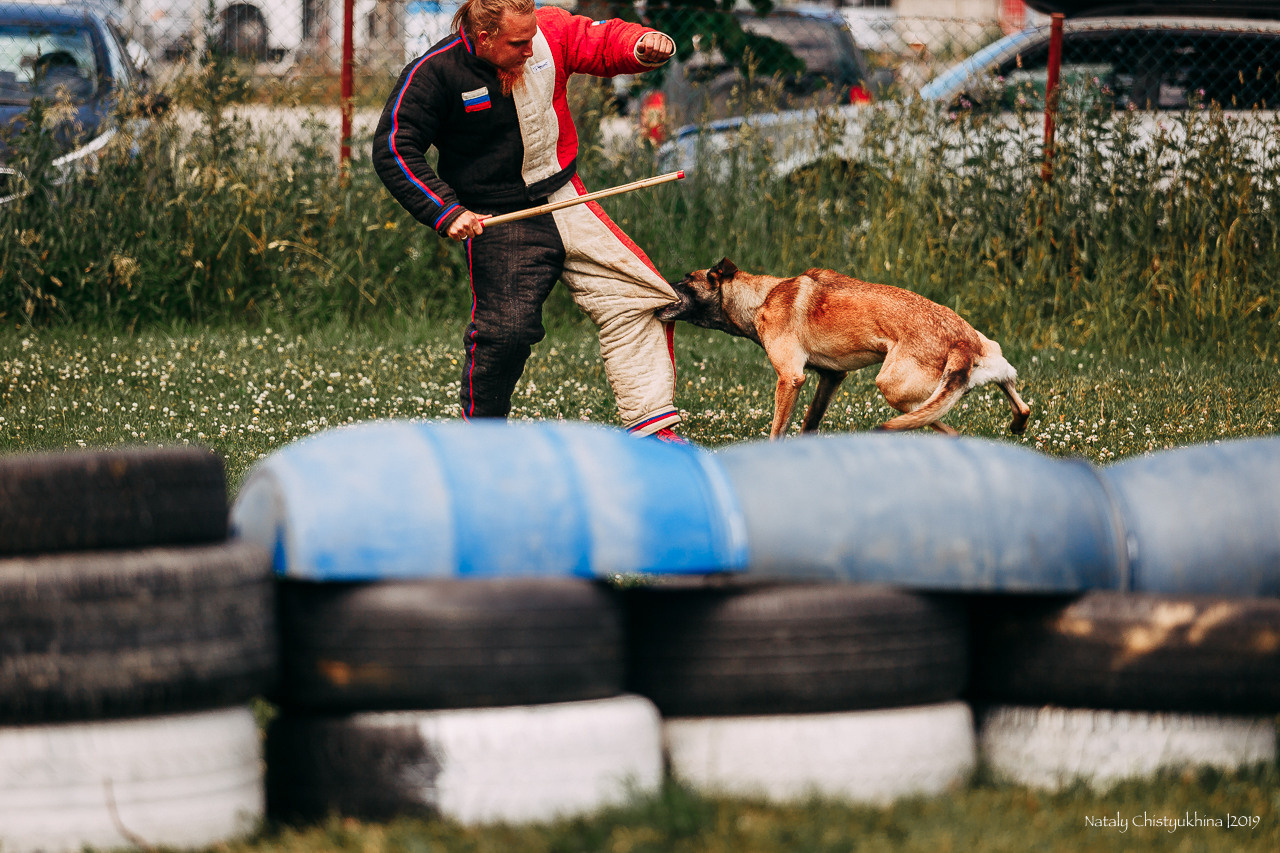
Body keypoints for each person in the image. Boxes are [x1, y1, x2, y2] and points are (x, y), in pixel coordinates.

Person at [372, 0, 688, 442]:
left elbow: (596, 41)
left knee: (637, 295)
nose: (530, 48)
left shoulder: (547, 30)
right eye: (518, 43)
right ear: (484, 38)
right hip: (499, 215)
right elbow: (394, 147)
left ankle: (654, 427)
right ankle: (480, 440)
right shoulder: (435, 73)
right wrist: (446, 211)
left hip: (565, 196)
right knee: (507, 332)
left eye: (532, 36)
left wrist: (642, 44)